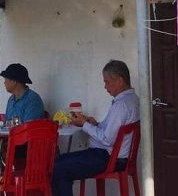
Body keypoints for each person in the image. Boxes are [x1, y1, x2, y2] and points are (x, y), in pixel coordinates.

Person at [51, 60, 139, 196]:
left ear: (120, 80)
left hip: (108, 157)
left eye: (107, 82)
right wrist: (95, 124)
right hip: (111, 155)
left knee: (58, 169)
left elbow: (107, 139)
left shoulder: (121, 106)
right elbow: (113, 131)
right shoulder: (132, 99)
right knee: (56, 162)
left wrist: (84, 125)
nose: (105, 86)